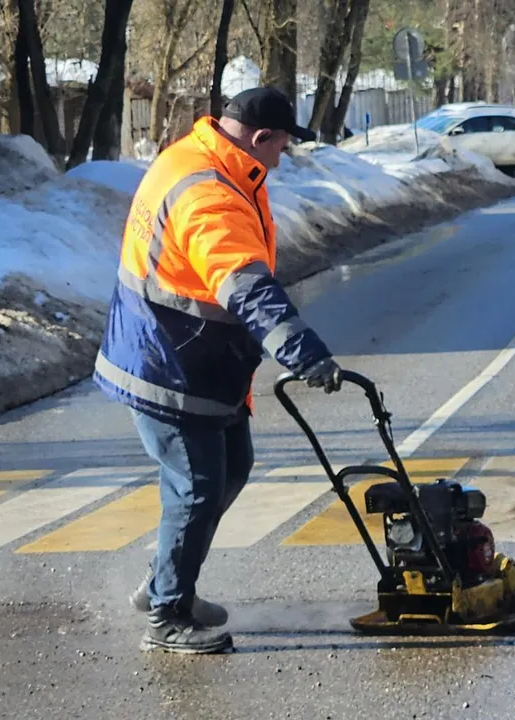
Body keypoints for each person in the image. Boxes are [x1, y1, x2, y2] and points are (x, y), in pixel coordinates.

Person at [93, 86, 344, 654]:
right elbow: (243, 284)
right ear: (260, 137)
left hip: (192, 356)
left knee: (232, 467)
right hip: (169, 362)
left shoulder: (204, 159)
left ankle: (166, 585)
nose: (282, 157)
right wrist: (302, 352)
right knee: (198, 486)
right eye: (281, 145)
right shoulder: (210, 192)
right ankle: (166, 616)